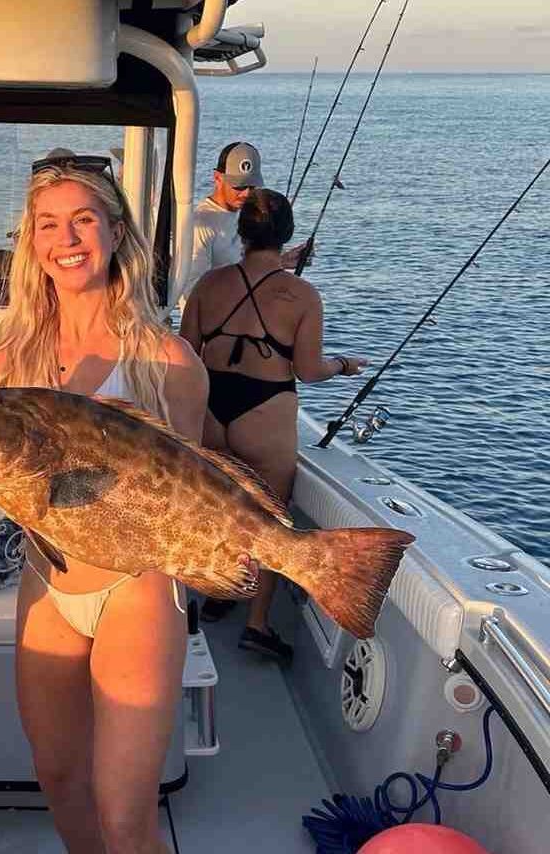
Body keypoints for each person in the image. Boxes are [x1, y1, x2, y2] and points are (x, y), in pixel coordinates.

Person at [0, 151, 252, 853]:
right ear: (30, 242)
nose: (67, 240)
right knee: (58, 778)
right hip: (47, 581)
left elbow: (191, 501)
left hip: (137, 588)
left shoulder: (168, 362)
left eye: (84, 220)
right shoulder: (4, 366)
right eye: (48, 225)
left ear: (117, 231)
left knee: (125, 817)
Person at [179, 188, 367, 662]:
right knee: (273, 519)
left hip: (212, 410)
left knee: (216, 509)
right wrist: (343, 364)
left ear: (241, 233)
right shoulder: (302, 295)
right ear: (286, 235)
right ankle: (258, 624)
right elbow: (307, 370)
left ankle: (219, 593)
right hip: (264, 412)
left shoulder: (209, 285)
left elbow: (183, 355)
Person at [183, 141, 309, 306]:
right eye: (239, 186)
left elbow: (244, 268)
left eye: (252, 186)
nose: (247, 193)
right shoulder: (201, 224)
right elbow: (191, 292)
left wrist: (280, 261)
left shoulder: (247, 215)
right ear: (217, 178)